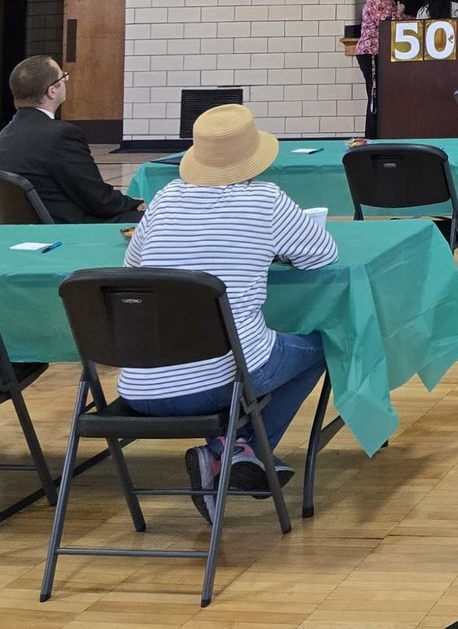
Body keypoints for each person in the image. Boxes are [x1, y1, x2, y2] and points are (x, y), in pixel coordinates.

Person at [119, 104, 338, 524]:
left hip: (140, 384)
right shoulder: (266, 199)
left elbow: (134, 269)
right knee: (321, 345)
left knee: (247, 353)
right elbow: (322, 254)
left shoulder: (163, 200)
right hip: (220, 380)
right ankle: (236, 450)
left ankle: (235, 451)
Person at [0, 55, 143, 224]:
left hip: (33, 226)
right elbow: (99, 199)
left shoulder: (6, 133)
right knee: (156, 220)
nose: (66, 82)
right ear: (52, 91)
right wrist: (135, 204)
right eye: (64, 77)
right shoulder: (61, 135)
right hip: (67, 228)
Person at [354, 0, 402, 139]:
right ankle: (373, 135)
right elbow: (387, 23)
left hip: (372, 51)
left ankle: (376, 134)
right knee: (375, 93)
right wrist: (399, 12)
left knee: (377, 93)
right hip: (373, 52)